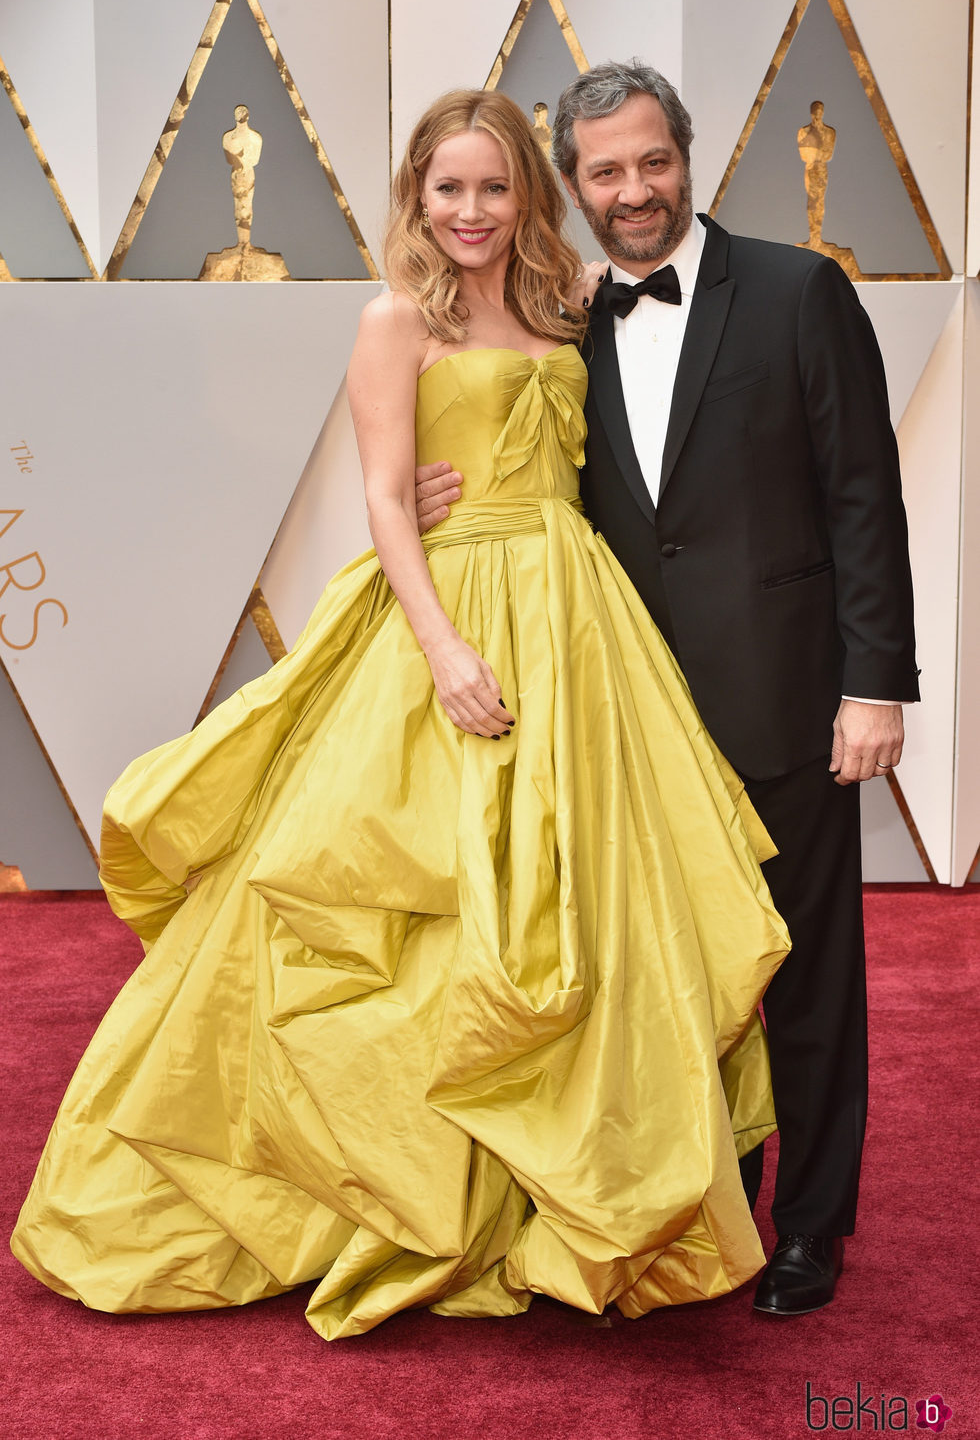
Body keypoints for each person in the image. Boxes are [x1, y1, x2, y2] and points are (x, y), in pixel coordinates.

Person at [11, 89, 789, 1342]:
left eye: (493, 188)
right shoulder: (392, 320)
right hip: (455, 617)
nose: (471, 211)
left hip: (577, 620)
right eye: (448, 190)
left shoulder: (565, 304)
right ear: (415, 201)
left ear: (525, 195)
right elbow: (382, 498)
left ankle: (542, 1198)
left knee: (574, 904)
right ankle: (388, 1194)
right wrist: (441, 648)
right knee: (416, 908)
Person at [417, 62, 919, 1317]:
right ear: (571, 186)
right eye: (603, 171)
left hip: (783, 698)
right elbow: (520, 469)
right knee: (663, 975)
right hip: (621, 711)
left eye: (651, 162)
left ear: (685, 158)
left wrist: (873, 688)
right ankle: (705, 1215)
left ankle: (808, 1226)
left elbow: (864, 493)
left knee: (796, 974)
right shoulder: (557, 314)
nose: (631, 190)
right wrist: (447, 495)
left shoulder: (801, 292)